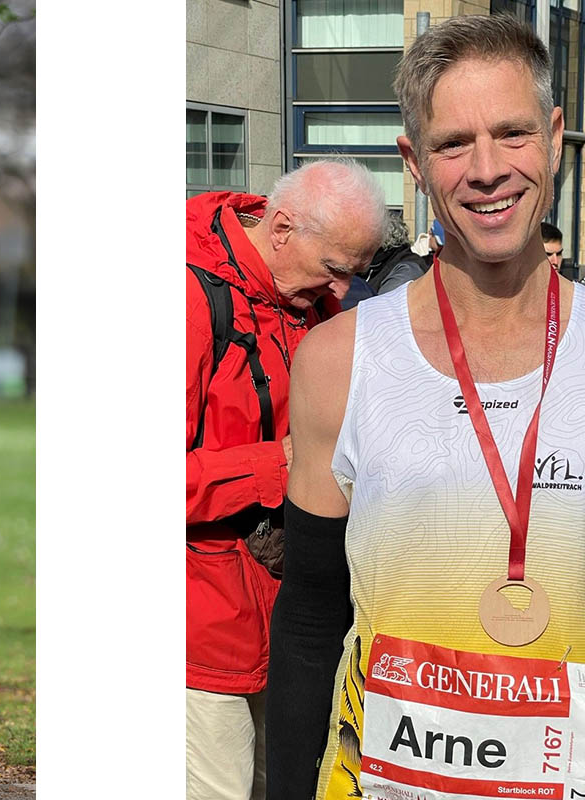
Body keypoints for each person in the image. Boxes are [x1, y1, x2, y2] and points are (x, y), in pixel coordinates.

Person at [266, 15, 585, 800]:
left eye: (512, 133)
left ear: (557, 139)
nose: (488, 169)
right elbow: (308, 617)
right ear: (415, 164)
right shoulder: (337, 360)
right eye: (453, 143)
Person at [186, 159, 386, 800]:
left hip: (295, 617)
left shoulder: (310, 303)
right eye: (334, 269)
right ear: (280, 229)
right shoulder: (186, 296)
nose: (344, 288)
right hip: (201, 626)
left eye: (355, 274)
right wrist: (282, 463)